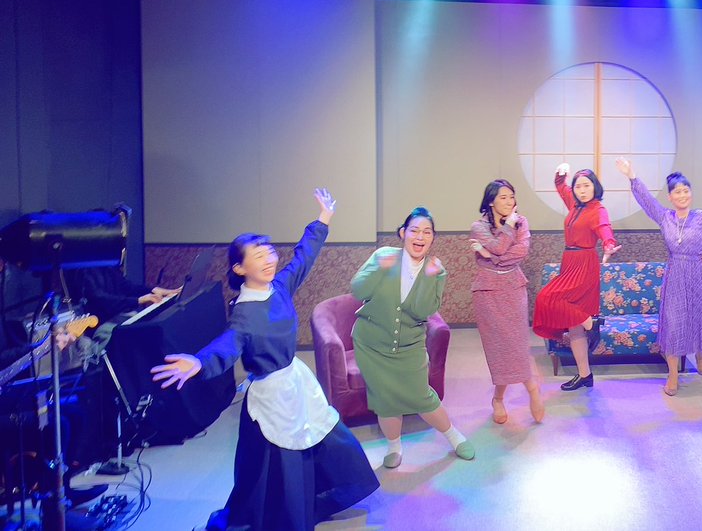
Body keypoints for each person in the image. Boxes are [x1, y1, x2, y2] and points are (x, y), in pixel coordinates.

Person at [150, 189, 378, 531]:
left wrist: (323, 219)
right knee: (277, 468)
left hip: (297, 381)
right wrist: (198, 362)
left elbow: (303, 256)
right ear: (240, 268)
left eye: (269, 251)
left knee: (330, 441)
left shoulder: (280, 287)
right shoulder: (244, 312)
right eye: (258, 255)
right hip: (270, 398)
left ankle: (315, 500)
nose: (269, 258)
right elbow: (227, 345)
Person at [352, 207, 475, 467]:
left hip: (410, 345)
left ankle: (454, 437)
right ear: (403, 233)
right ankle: (394, 447)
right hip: (371, 345)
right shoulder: (383, 256)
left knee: (422, 396)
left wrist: (429, 277)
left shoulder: (435, 269)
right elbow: (358, 290)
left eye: (427, 232)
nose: (420, 237)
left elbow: (422, 310)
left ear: (432, 238)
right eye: (414, 230)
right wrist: (380, 269)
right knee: (384, 400)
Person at [615, 157, 702, 395]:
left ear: (691, 193)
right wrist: (632, 176)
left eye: (686, 190)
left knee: (698, 318)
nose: (682, 195)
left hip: (697, 272)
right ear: (670, 197)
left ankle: (700, 355)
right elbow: (647, 201)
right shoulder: (664, 217)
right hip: (676, 273)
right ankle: (673, 374)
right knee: (674, 325)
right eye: (677, 192)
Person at [532, 164, 620, 391]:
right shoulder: (574, 202)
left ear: (595, 187)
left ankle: (591, 322)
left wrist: (609, 245)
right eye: (578, 186)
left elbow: (605, 229)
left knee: (546, 298)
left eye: (586, 186)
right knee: (574, 327)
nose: (582, 190)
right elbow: (560, 185)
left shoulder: (598, 209)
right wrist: (561, 173)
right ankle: (585, 375)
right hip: (569, 262)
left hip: (585, 265)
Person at [467, 179, 544, 424]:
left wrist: (489, 255)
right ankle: (500, 398)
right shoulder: (478, 227)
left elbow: (519, 252)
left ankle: (530, 389)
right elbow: (500, 246)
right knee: (499, 348)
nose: (509, 201)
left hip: (513, 288)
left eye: (512, 196)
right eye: (503, 197)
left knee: (517, 344)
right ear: (491, 201)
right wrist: (506, 229)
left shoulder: (522, 222)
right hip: (488, 293)